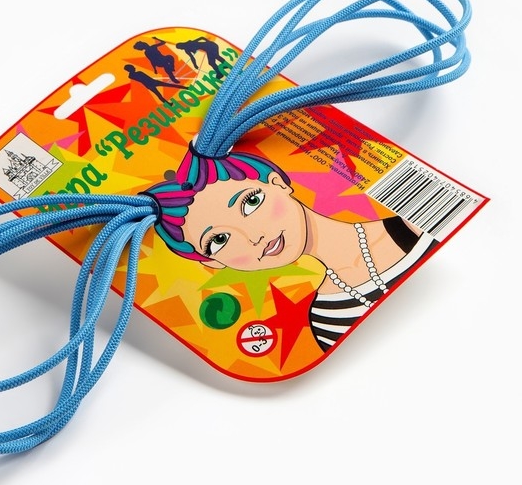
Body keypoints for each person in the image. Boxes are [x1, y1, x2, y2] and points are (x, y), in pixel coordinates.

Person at [144, 145, 437, 353]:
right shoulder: (324, 316)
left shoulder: (412, 226)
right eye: (219, 240)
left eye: (251, 202)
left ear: (278, 183)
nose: (254, 237)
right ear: (212, 263)